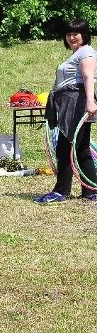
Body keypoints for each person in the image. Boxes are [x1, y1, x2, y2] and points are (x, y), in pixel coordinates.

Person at [35, 18, 97, 203]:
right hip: (71, 101)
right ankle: (91, 190)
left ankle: (61, 190)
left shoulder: (86, 53)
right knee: (81, 148)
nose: (71, 37)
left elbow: (88, 77)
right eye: (68, 34)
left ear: (84, 35)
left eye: (75, 34)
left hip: (76, 102)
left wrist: (90, 102)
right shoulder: (78, 53)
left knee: (65, 148)